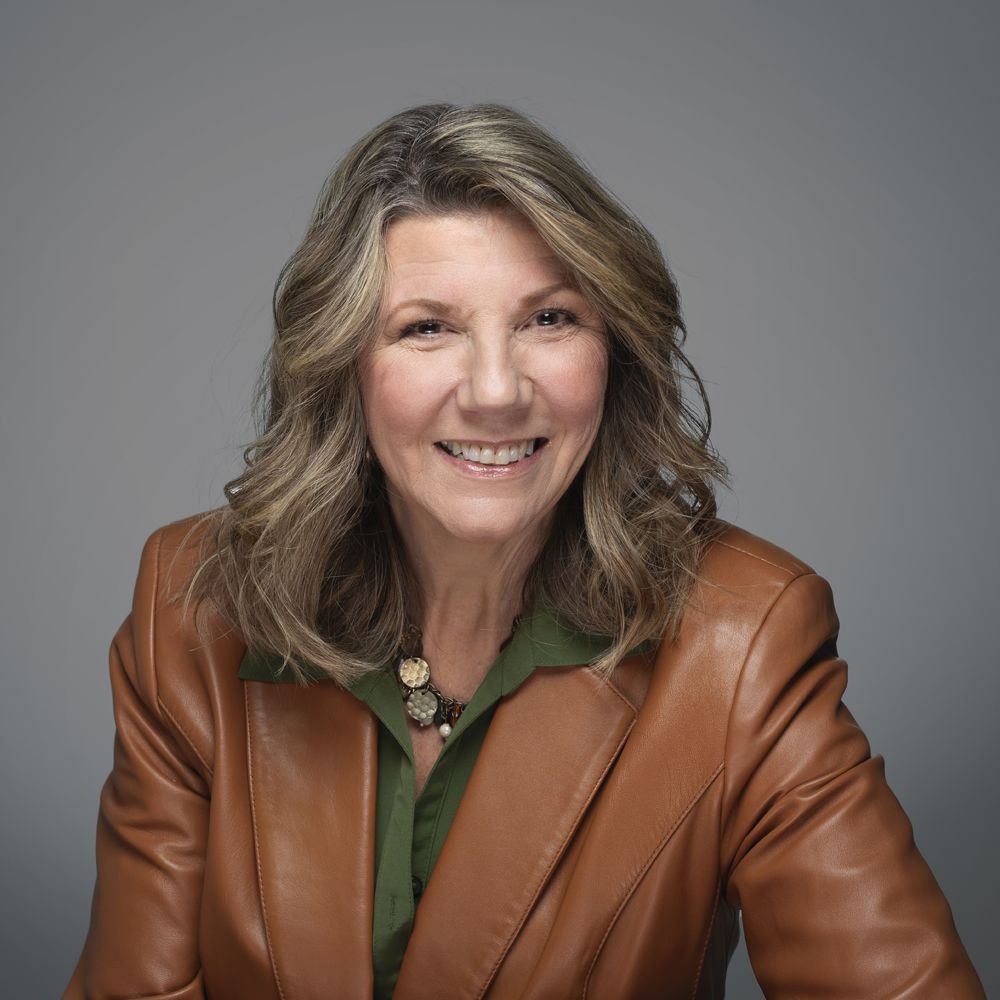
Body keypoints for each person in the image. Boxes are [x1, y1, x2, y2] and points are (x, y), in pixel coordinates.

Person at [64, 103, 985, 1000]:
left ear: (614, 349)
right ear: (342, 367)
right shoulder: (191, 611)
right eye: (428, 327)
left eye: (550, 319)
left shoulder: (745, 642)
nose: (498, 391)